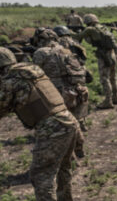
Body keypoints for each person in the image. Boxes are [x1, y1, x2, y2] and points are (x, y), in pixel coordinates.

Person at [0, 47, 80, 201]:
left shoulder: (11, 81)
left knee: (41, 173)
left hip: (52, 128)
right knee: (62, 167)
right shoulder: (30, 72)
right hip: (68, 121)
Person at [31, 29, 88, 158]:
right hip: (76, 90)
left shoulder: (41, 52)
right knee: (74, 122)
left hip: (58, 94)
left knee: (61, 126)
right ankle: (79, 147)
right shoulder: (66, 50)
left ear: (41, 40)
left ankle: (70, 156)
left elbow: (34, 73)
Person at [75, 13, 117, 109]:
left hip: (103, 55)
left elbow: (78, 37)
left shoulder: (89, 29)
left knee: (104, 78)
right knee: (113, 77)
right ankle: (116, 98)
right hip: (112, 53)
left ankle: (108, 101)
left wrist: (69, 32)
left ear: (87, 21)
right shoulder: (103, 28)